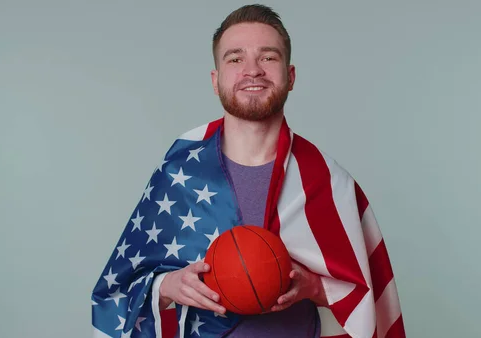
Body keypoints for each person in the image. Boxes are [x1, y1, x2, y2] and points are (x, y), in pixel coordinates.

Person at [91, 4, 405, 338]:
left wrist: (315, 286)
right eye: (235, 58)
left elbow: (368, 299)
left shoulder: (328, 182)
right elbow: (116, 292)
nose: (252, 70)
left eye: (268, 57)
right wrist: (167, 286)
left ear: (291, 76)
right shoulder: (178, 174)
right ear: (216, 80)